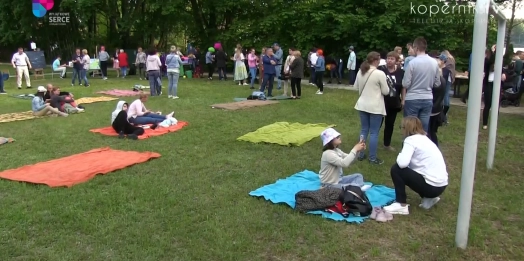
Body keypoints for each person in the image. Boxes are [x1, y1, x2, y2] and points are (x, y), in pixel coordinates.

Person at [383, 117, 448, 215]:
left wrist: (401, 153)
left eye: (401, 127)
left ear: (406, 128)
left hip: (431, 187)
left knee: (396, 169)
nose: (401, 130)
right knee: (413, 171)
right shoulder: (425, 138)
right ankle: (429, 199)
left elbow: (402, 163)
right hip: (441, 186)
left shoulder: (410, 140)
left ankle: (401, 204)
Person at [354, 52, 390, 165]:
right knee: (374, 132)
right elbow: (386, 91)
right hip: (375, 106)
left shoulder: (361, 71)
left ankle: (360, 154)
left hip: (362, 104)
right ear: (375, 60)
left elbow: (356, 87)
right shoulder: (379, 73)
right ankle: (372, 158)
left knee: (364, 130)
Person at [402, 37, 441, 133]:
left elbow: (405, 83)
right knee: (423, 128)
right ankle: (421, 147)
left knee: (410, 127)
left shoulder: (412, 63)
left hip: (412, 98)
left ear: (416, 48)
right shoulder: (434, 63)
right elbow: (437, 83)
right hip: (427, 97)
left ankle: (409, 146)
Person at [378, 51, 404, 151]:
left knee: (390, 124)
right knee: (378, 123)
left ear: (396, 61)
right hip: (381, 101)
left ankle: (387, 144)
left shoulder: (401, 72)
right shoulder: (380, 70)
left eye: (392, 59)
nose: (389, 60)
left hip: (394, 102)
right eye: (388, 58)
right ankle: (372, 141)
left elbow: (403, 87)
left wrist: (403, 100)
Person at [427, 55, 447, 146]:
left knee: (429, 131)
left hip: (432, 109)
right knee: (431, 131)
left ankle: (433, 148)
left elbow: (436, 96)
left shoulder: (437, 81)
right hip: (436, 108)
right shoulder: (441, 79)